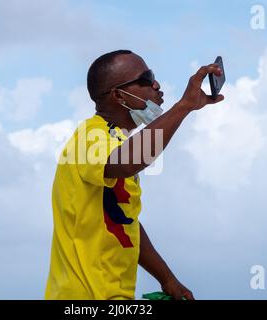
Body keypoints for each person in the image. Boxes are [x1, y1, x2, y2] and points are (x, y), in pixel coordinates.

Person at [45, 50, 224, 300]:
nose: (156, 85)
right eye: (146, 79)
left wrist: (168, 279)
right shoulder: (89, 135)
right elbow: (126, 163)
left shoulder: (114, 140)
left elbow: (126, 222)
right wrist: (184, 106)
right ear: (119, 95)